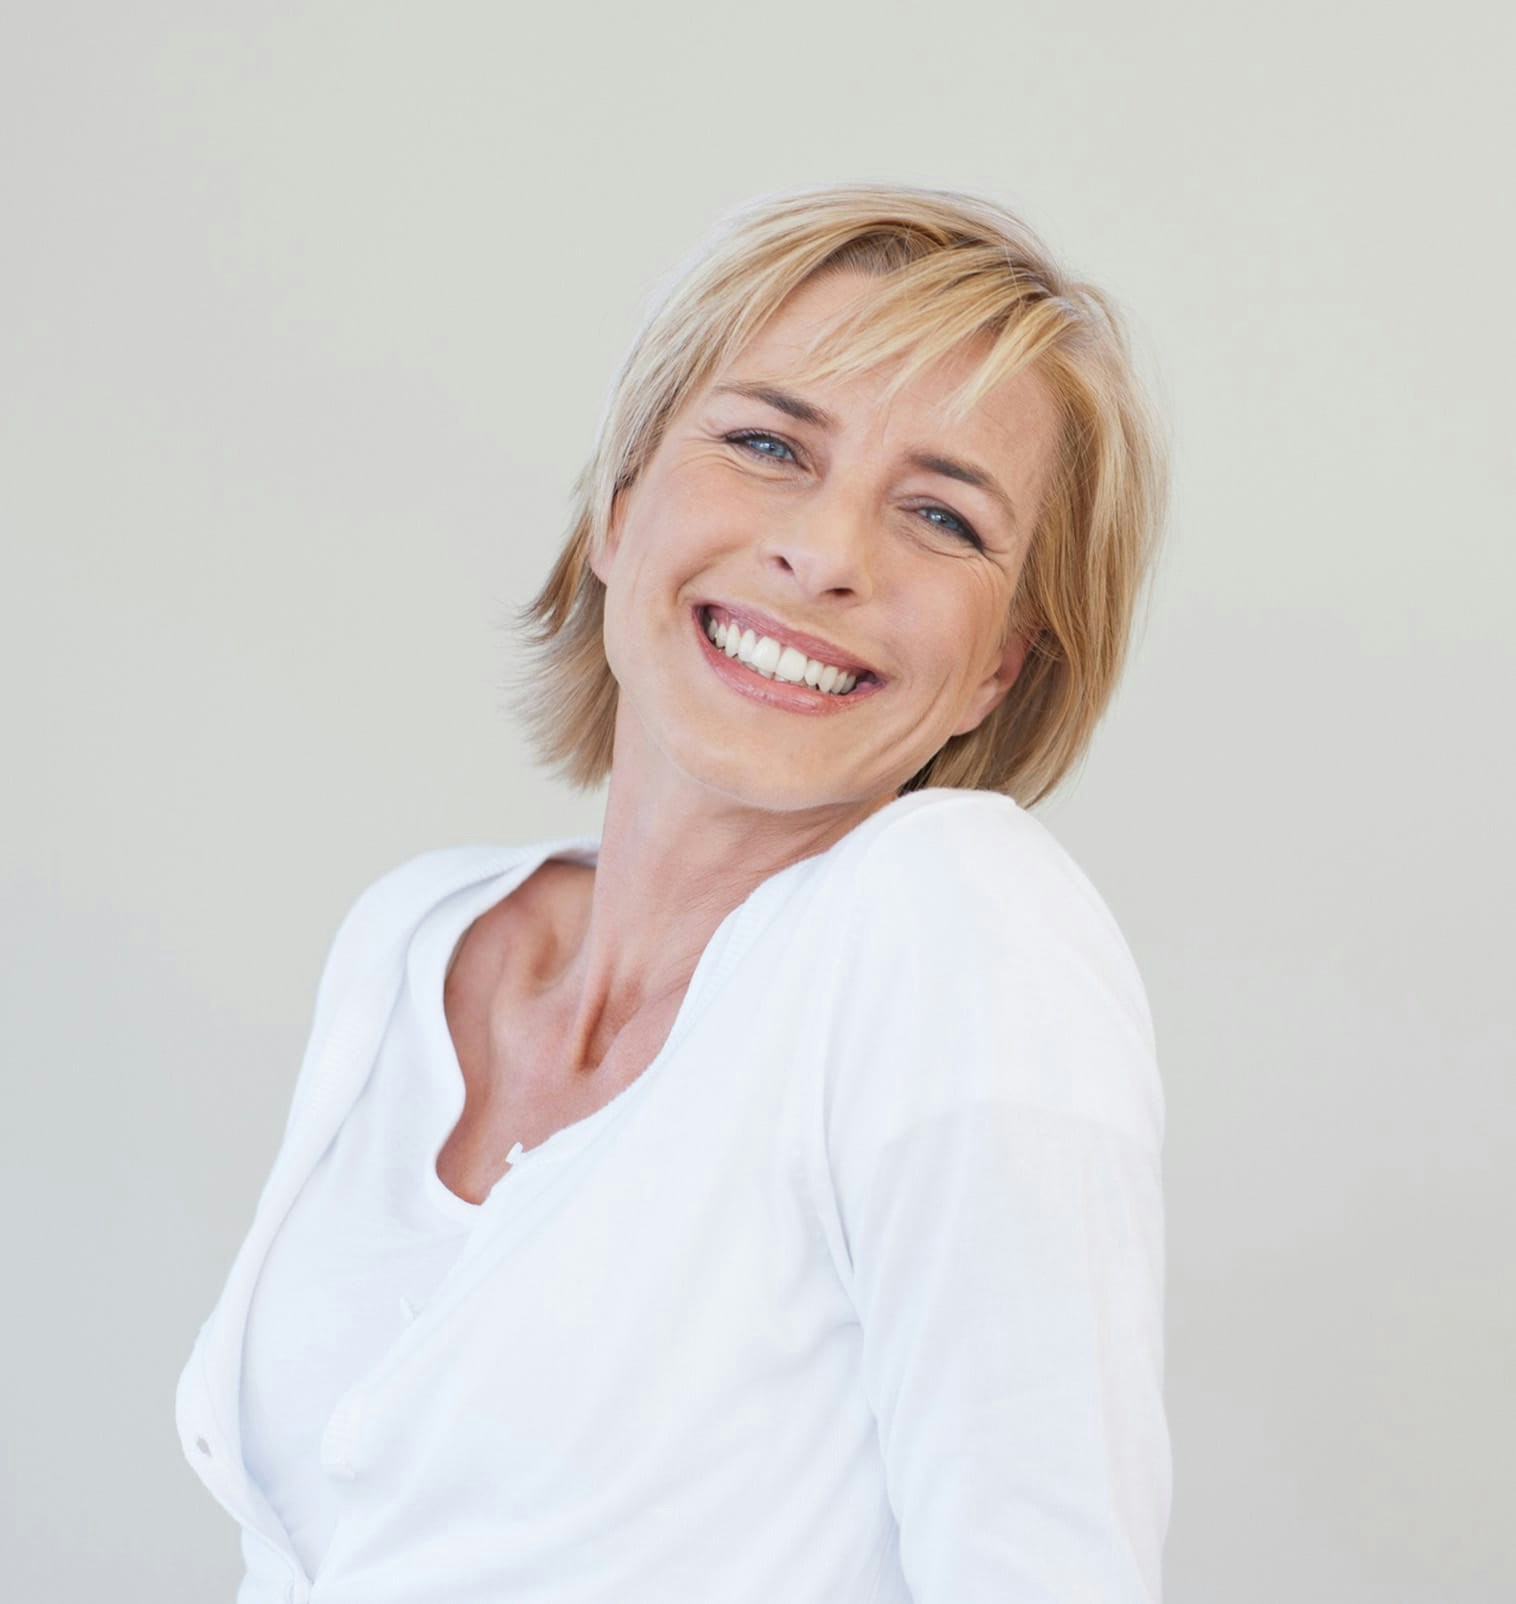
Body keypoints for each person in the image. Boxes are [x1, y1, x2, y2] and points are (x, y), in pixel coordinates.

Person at [175, 181, 1173, 1604]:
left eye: (942, 518)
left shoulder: (959, 923)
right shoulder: (413, 939)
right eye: (769, 443)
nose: (827, 556)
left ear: (1002, 664)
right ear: (621, 506)